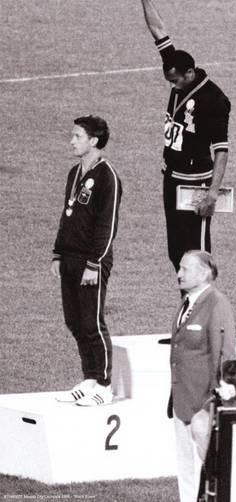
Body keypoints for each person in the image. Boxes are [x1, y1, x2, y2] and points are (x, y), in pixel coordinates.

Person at [129, 0, 231, 272]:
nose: (172, 87)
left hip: (195, 183)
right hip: (171, 178)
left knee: (197, 254)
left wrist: (212, 192)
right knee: (176, 252)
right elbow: (158, 29)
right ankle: (188, 307)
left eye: (176, 82)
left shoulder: (215, 100)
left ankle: (206, 313)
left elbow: (221, 149)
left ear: (190, 73)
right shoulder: (176, 65)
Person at [51, 115, 122, 406]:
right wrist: (57, 252)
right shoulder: (74, 172)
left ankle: (105, 385)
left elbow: (108, 226)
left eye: (77, 136)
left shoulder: (108, 177)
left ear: (93, 141)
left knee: (92, 321)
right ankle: (90, 377)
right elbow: (66, 215)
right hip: (69, 257)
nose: (71, 141)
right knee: (74, 321)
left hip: (92, 261)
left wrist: (95, 263)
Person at [169, 250, 236, 502]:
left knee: (215, 470)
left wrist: (213, 403)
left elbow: (225, 355)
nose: (179, 274)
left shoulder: (217, 303)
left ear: (204, 273)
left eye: (185, 269)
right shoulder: (187, 303)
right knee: (185, 468)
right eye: (180, 268)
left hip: (203, 404)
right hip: (181, 400)